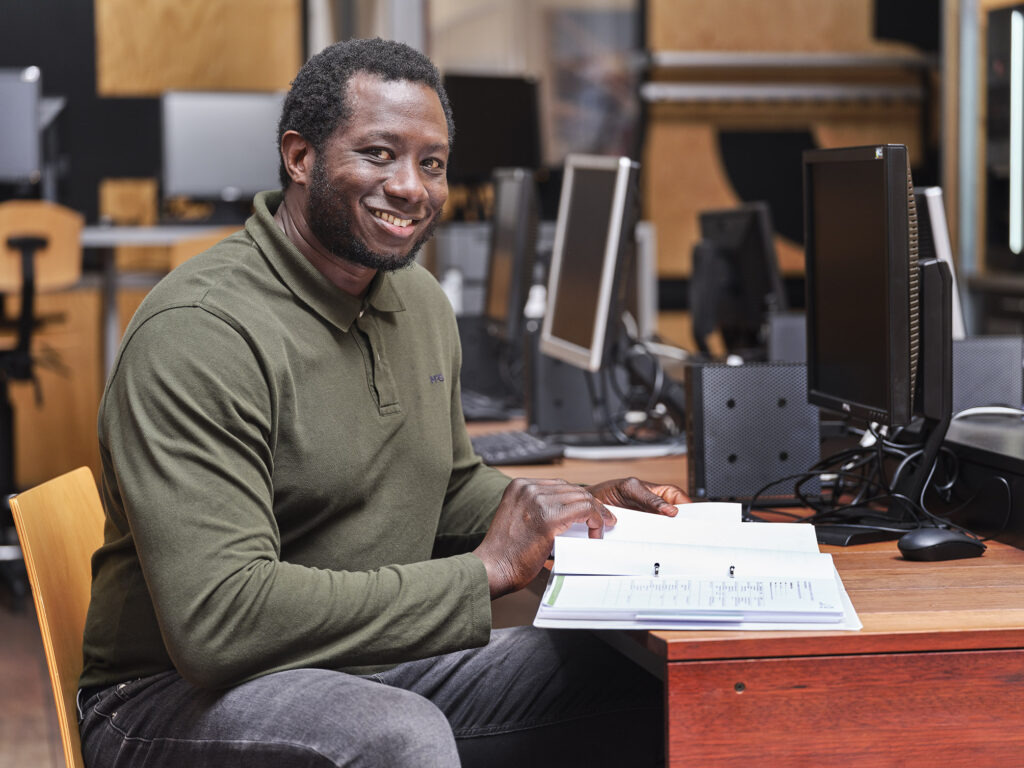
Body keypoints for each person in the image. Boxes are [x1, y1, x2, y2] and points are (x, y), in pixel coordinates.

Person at [78, 37, 687, 767]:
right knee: (394, 737)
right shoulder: (201, 334)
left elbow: (448, 486)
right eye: (378, 154)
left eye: (431, 163)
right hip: (168, 698)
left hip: (362, 665)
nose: (411, 187)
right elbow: (220, 622)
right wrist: (484, 572)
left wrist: (568, 512)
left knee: (648, 678)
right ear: (299, 157)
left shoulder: (417, 302)